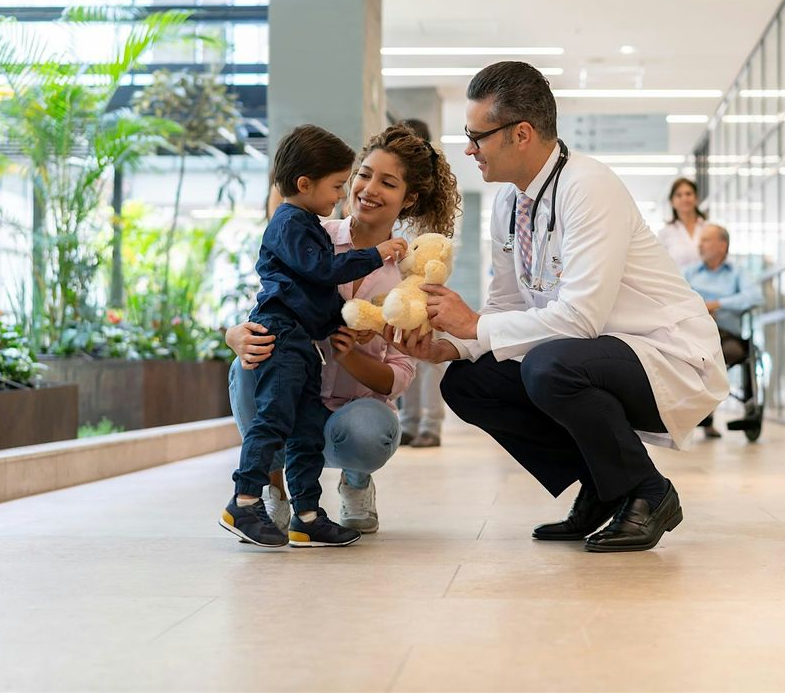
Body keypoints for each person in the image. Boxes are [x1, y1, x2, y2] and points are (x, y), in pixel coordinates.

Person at [389, 61, 730, 553]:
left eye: (477, 136)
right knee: (469, 383)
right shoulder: (510, 204)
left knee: (551, 366)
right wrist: (455, 347)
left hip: (669, 355)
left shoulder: (588, 187)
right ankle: (603, 483)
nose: (469, 149)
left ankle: (647, 491)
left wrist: (477, 326)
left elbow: (581, 317)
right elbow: (505, 304)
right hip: (593, 353)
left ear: (521, 133)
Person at [226, 123, 461, 535]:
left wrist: (351, 354)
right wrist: (234, 335)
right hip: (296, 384)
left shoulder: (408, 278)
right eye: (363, 175)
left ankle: (354, 483)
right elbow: (270, 302)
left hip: (351, 409)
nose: (368, 188)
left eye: (387, 182)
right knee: (250, 371)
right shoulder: (308, 235)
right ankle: (271, 493)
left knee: (368, 432)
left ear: (409, 199)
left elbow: (399, 376)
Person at [682, 224, 764, 437]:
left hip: (725, 337)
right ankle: (699, 413)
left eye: (706, 240)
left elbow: (755, 297)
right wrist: (700, 309)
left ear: (722, 245)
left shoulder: (738, 273)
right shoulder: (689, 273)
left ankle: (709, 412)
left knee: (729, 353)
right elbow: (674, 298)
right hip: (693, 333)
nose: (700, 245)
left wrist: (718, 304)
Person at [396, 117, 447, 448]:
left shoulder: (438, 197)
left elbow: (444, 247)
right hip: (399, 291)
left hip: (430, 289)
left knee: (430, 360)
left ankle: (431, 425)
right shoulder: (394, 190)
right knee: (405, 354)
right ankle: (409, 423)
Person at [656, 178, 709, 270]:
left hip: (707, 283)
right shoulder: (665, 233)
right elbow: (660, 265)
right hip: (676, 283)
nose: (684, 198)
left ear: (696, 198)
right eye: (679, 195)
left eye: (688, 194)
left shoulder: (708, 229)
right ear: (672, 202)